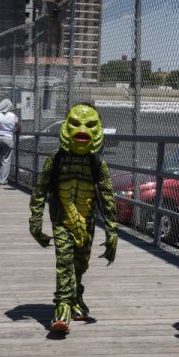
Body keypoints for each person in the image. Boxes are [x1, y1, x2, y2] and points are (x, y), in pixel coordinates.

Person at [29, 103, 118, 334]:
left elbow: (108, 196)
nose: (82, 129)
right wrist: (35, 222)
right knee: (64, 262)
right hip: (61, 220)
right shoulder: (55, 159)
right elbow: (39, 189)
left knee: (81, 263)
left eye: (89, 125)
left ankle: (76, 298)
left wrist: (112, 230)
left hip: (87, 222)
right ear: (67, 127)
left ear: (97, 130)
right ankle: (62, 309)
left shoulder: (98, 163)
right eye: (76, 123)